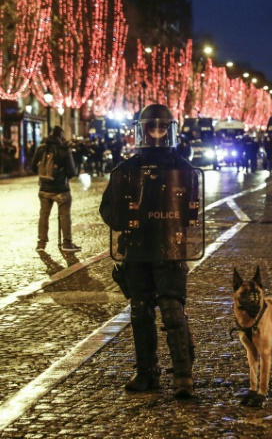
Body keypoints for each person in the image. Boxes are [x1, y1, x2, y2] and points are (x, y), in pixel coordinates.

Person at [99, 104, 198, 398]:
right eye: (151, 128)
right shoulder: (126, 169)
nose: (156, 134)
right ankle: (146, 372)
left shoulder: (182, 167)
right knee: (140, 312)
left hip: (169, 247)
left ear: (169, 130)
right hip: (137, 248)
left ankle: (183, 374)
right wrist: (126, 213)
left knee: (172, 310)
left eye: (161, 128)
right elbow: (108, 211)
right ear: (143, 130)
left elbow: (192, 212)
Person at [31, 126, 81, 252]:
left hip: (44, 188)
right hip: (61, 189)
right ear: (61, 137)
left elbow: (32, 167)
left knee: (44, 215)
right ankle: (67, 243)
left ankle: (41, 243)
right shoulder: (64, 149)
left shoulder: (41, 148)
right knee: (64, 216)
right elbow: (71, 171)